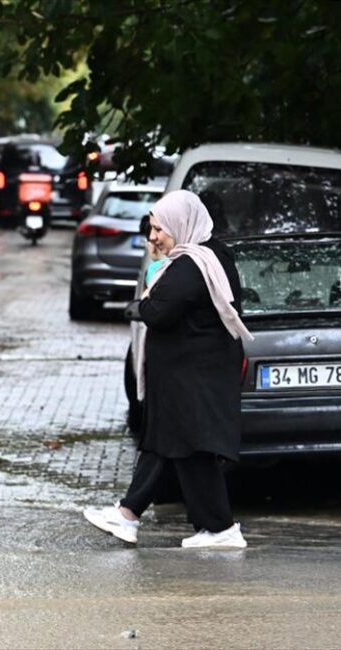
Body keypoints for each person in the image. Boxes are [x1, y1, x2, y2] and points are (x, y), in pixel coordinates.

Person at [84, 190, 253, 549]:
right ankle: (213, 528)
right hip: (190, 376)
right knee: (178, 447)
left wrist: (145, 297)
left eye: (160, 228)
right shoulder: (211, 256)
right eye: (152, 228)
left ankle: (137, 516)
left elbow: (157, 311)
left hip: (191, 377)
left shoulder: (192, 264)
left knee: (179, 446)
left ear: (181, 225)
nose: (153, 237)